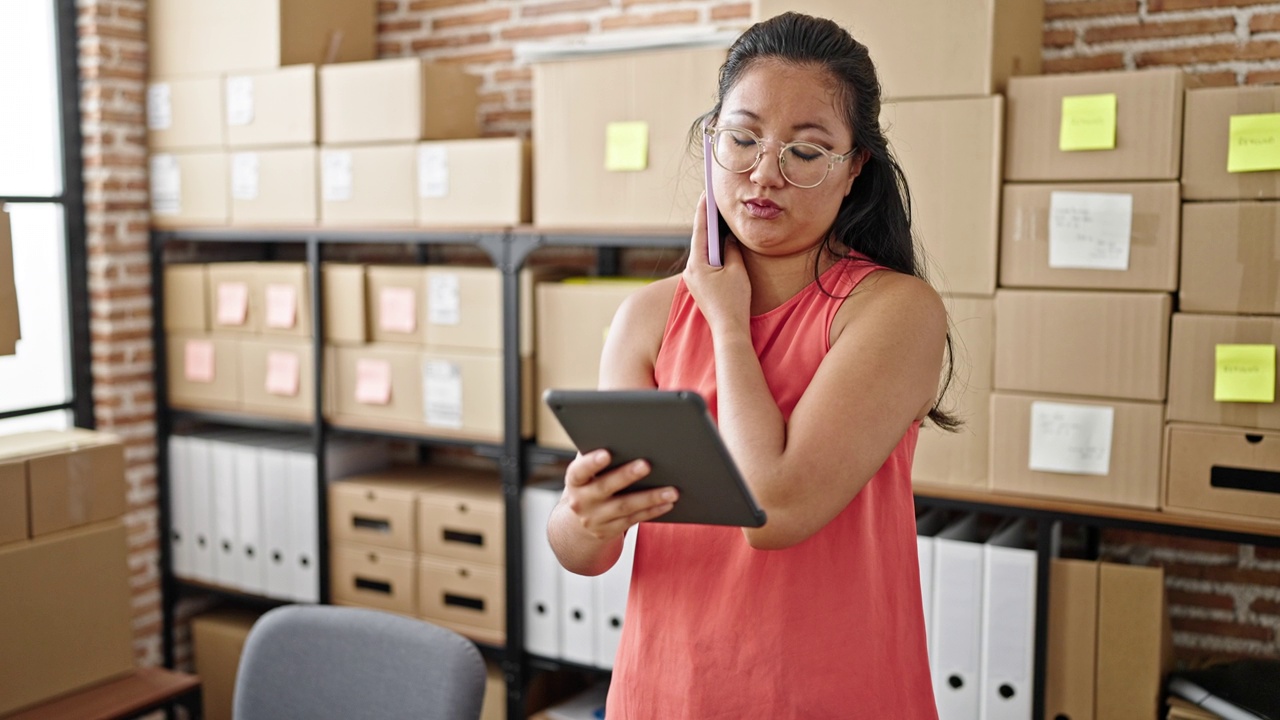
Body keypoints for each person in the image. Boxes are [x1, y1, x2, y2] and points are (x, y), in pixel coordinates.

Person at [547, 11, 954, 719]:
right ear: (712, 142)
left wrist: (727, 322)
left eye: (807, 150)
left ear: (855, 166)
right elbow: (586, 552)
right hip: (664, 691)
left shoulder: (892, 311)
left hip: (827, 695)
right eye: (742, 139)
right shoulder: (647, 317)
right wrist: (583, 517)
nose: (765, 172)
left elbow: (776, 510)